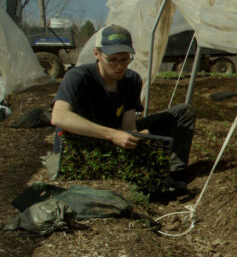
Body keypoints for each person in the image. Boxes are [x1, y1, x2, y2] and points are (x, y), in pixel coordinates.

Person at [50, 24, 196, 178]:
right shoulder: (78, 77)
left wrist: (139, 138)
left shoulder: (131, 80)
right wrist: (113, 135)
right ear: (96, 54)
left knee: (184, 112)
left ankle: (174, 174)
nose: (120, 66)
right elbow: (59, 116)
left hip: (112, 138)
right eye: (112, 60)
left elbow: (128, 127)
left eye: (125, 59)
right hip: (82, 141)